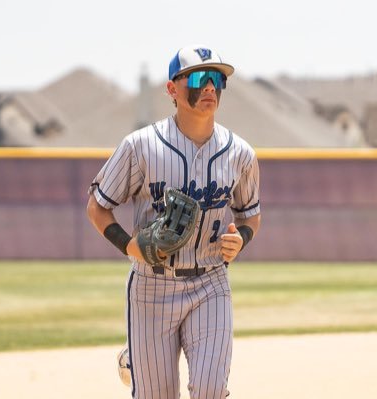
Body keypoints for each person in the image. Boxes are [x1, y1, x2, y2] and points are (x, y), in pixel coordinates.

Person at [86, 44, 261, 399]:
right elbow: (97, 206)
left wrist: (241, 237)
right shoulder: (140, 146)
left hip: (211, 281)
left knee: (211, 390)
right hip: (152, 286)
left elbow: (251, 215)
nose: (210, 87)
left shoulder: (240, 153)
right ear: (172, 89)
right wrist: (129, 244)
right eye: (198, 77)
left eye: (217, 79)